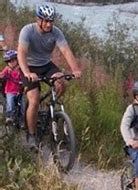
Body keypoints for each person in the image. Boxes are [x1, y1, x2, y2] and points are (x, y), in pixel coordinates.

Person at [17, 3, 82, 148]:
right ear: (38, 20)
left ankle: (50, 108)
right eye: (45, 21)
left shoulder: (56, 32)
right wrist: (27, 72)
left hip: (46, 65)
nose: (48, 24)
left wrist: (75, 69)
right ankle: (32, 136)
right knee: (34, 99)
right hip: (28, 66)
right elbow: (21, 53)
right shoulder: (27, 31)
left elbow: (65, 51)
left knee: (62, 82)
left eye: (51, 21)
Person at [0, 50, 24, 126]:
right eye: (9, 61)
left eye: (13, 60)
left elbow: (24, 77)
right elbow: (1, 75)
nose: (12, 63)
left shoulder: (21, 69)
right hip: (10, 91)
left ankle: (21, 121)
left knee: (22, 106)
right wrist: (2, 76)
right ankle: (9, 117)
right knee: (10, 104)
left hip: (20, 91)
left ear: (17, 60)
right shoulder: (7, 69)